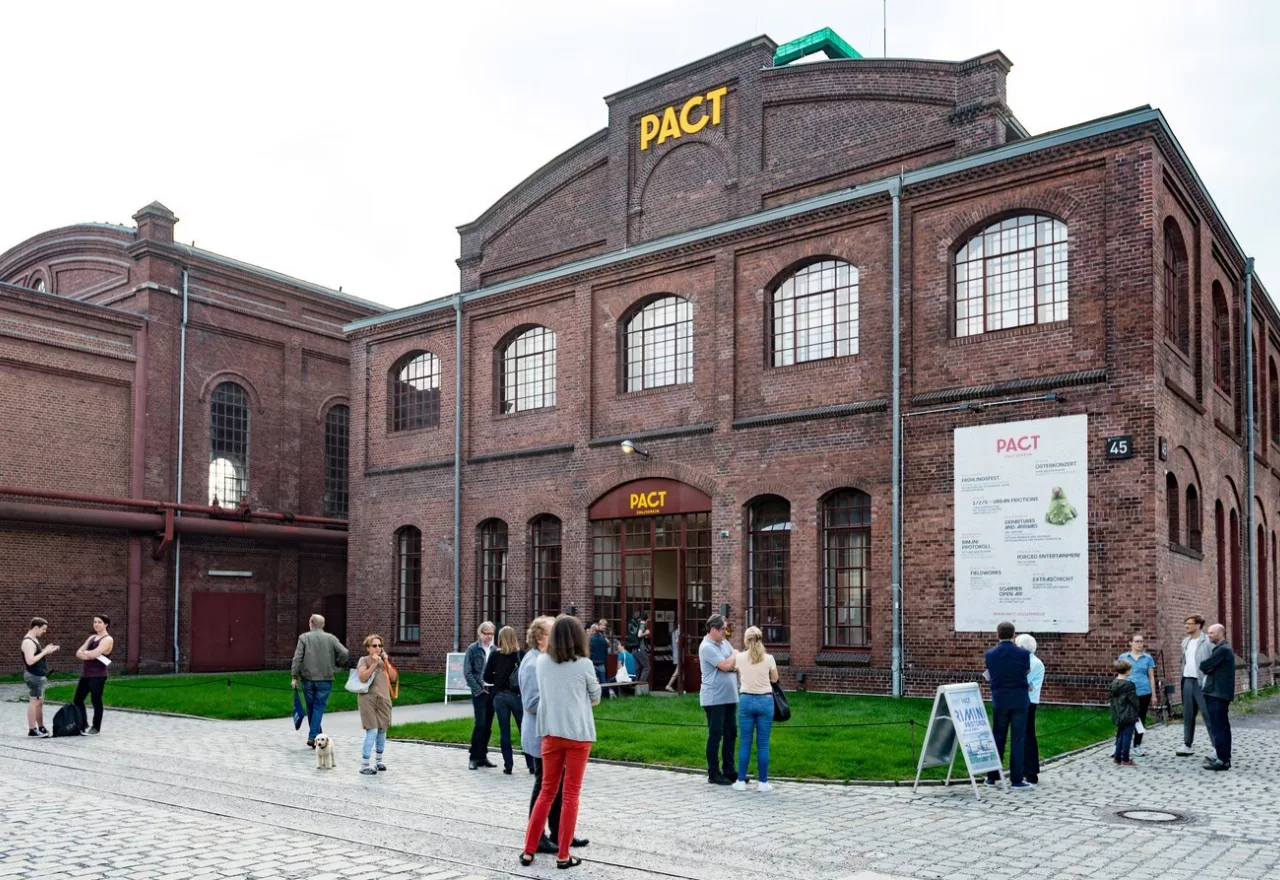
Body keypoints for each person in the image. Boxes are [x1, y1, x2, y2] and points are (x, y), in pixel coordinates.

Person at [520, 615, 601, 870]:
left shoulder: (542, 662)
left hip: (550, 733)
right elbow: (596, 696)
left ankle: (528, 850)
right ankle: (564, 854)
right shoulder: (585, 664)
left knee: (546, 792)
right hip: (577, 734)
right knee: (570, 795)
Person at [984, 621, 1032, 790]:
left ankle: (992, 777)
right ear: (1014, 635)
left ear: (997, 635)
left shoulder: (990, 654)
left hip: (1000, 699)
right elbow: (1026, 671)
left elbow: (991, 673)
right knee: (1018, 739)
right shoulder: (1023, 654)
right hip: (1019, 699)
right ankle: (1017, 779)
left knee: (998, 737)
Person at [291, 613, 350, 748]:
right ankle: (317, 735)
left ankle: (313, 737)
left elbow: (297, 658)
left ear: (311, 624)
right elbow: (344, 653)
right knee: (317, 707)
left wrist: (294, 676)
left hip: (308, 678)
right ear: (323, 625)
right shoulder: (331, 638)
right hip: (325, 678)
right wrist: (337, 663)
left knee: (312, 707)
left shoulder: (304, 638)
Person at [731, 626, 778, 792]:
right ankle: (763, 783)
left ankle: (741, 781)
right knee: (763, 744)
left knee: (745, 743)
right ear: (760, 639)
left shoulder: (740, 657)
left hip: (745, 700)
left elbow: (732, 667)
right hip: (765, 700)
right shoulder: (769, 658)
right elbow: (775, 678)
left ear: (746, 640)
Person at [484, 625, 535, 774]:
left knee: (504, 731)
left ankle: (509, 765)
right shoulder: (520, 655)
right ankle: (531, 764)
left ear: (500, 638)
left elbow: (486, 677)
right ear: (514, 637)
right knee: (524, 730)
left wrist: (498, 678)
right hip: (517, 696)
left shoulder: (494, 655)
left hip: (499, 696)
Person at [699, 613, 738, 785]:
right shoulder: (707, 647)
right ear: (713, 629)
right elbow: (727, 665)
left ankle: (729, 770)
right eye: (723, 629)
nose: (726, 632)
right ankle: (713, 773)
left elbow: (734, 665)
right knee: (716, 734)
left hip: (730, 696)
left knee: (731, 733)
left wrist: (732, 660)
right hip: (714, 698)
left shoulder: (724, 643)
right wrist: (735, 655)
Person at [355, 634, 397, 775]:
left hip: (384, 699)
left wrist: (386, 660)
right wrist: (373, 664)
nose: (377, 648)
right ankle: (365, 764)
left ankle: (379, 761)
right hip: (368, 699)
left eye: (380, 646)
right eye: (374, 646)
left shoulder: (384, 661)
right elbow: (362, 677)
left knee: (382, 730)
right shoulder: (364, 660)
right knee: (372, 730)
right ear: (368, 648)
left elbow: (393, 677)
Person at [1176, 614, 1214, 758]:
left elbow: (1213, 662)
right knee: (1188, 714)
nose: (1186, 626)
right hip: (1187, 681)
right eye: (1185, 623)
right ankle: (1187, 744)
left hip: (1202, 682)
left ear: (1198, 625)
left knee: (1207, 714)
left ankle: (1216, 746)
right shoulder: (1185, 641)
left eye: (1189, 624)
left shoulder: (1207, 642)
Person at [72, 614, 113, 736]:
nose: (96, 624)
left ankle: (96, 727)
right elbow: (78, 653)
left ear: (106, 624)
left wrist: (87, 653)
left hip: (98, 675)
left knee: (96, 701)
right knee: (78, 700)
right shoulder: (92, 638)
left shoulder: (108, 639)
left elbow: (94, 654)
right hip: (86, 674)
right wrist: (87, 653)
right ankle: (83, 724)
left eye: (99, 622)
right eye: (95, 622)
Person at [1200, 623, 1234, 771]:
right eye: (1208, 633)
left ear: (1220, 634)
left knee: (1219, 726)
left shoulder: (1223, 650)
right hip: (1217, 692)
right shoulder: (1221, 649)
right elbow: (1208, 667)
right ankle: (1223, 757)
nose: (1209, 635)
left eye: (1211, 633)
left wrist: (1208, 666)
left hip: (1217, 693)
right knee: (1222, 726)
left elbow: (1204, 666)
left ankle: (1222, 760)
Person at [465, 621, 498, 770]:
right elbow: (468, 672)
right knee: (480, 724)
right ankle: (474, 757)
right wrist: (478, 689)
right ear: (480, 634)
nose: (489, 637)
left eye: (491, 634)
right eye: (487, 634)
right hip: (479, 692)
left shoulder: (495, 649)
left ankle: (483, 755)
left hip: (492, 692)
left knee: (488, 725)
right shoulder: (473, 649)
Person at [1118, 633, 1157, 756]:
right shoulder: (1124, 657)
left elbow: (1151, 677)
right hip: (1127, 692)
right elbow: (1120, 675)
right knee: (1124, 719)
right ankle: (1118, 745)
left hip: (1143, 692)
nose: (1140, 644)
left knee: (1140, 718)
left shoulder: (1147, 658)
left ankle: (1137, 745)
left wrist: (1154, 695)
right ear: (1130, 643)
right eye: (1137, 641)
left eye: (1141, 641)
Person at [21, 617, 59, 737]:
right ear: (36, 627)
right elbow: (30, 660)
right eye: (43, 629)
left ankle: (41, 728)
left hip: (39, 676)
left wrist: (47, 650)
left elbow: (36, 655)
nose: (44, 631)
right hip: (34, 676)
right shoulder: (28, 642)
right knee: (34, 701)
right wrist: (44, 652)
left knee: (39, 702)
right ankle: (32, 730)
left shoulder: (33, 640)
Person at [1015, 633, 1044, 785]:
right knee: (1021, 737)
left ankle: (1031, 772)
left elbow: (1021, 680)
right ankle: (1022, 769)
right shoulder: (1023, 661)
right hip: (1020, 700)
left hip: (1028, 702)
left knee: (1028, 737)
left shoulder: (1034, 663)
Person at [1109, 659, 1141, 766]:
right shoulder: (1129, 685)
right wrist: (1138, 710)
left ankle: (1117, 757)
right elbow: (1134, 700)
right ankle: (1126, 759)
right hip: (1128, 713)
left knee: (1121, 735)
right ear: (1127, 671)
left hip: (1118, 713)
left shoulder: (1113, 683)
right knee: (1127, 736)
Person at [588, 622, 609, 688]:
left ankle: (594, 696)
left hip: (592, 663)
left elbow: (588, 651)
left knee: (593, 681)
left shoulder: (590, 639)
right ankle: (606, 695)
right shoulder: (603, 640)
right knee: (603, 680)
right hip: (601, 663)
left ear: (593, 630)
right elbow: (606, 652)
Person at [634, 617, 651, 685]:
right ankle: (640, 685)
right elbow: (639, 635)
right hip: (640, 649)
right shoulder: (642, 625)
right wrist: (646, 633)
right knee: (647, 668)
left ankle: (635, 686)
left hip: (634, 649)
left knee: (637, 668)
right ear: (646, 620)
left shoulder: (635, 626)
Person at [665, 624, 681, 692]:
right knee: (677, 671)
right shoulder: (679, 632)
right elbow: (678, 641)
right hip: (679, 653)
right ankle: (669, 685)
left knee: (680, 670)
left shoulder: (674, 632)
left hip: (676, 653)